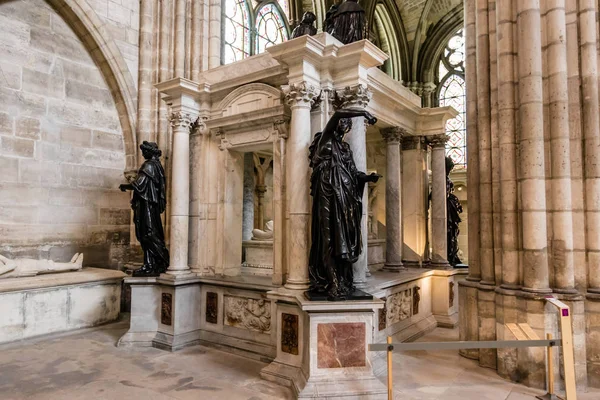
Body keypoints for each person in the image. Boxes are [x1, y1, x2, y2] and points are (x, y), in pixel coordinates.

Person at [308, 108, 379, 300]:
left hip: (346, 198)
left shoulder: (345, 149)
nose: (345, 123)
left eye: (348, 123)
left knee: (345, 238)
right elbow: (338, 113)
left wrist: (367, 178)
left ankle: (344, 280)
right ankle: (333, 282)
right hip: (328, 194)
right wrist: (364, 114)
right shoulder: (326, 140)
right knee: (328, 237)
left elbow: (353, 172)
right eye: (343, 121)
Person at [120, 141, 169, 277]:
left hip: (147, 205)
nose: (142, 153)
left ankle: (156, 262)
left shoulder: (149, 166)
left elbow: (139, 184)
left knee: (148, 233)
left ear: (149, 152)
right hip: (148, 205)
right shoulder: (157, 166)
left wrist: (125, 186)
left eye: (144, 151)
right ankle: (150, 264)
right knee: (148, 234)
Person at [0, 253, 83, 279]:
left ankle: (70, 264)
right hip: (23, 268)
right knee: (48, 265)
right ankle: (76, 265)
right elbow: (12, 265)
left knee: (47, 265)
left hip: (22, 265)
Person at [446, 156, 463, 266]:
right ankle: (449, 254)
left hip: (450, 207)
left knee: (453, 231)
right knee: (449, 230)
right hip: (447, 209)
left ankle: (452, 254)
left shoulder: (447, 180)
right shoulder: (444, 180)